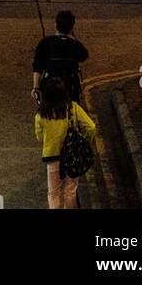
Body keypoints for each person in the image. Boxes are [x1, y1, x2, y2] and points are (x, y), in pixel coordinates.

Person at [35, 76, 96, 209]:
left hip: (52, 156)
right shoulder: (72, 108)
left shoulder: (41, 114)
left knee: (53, 193)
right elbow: (91, 127)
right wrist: (84, 139)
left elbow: (40, 137)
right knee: (70, 191)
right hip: (73, 154)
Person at [32, 10, 89, 106]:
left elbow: (38, 66)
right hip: (70, 87)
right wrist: (72, 38)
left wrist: (36, 87)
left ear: (55, 24)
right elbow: (84, 56)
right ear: (72, 27)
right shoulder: (75, 45)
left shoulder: (45, 43)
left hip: (50, 87)